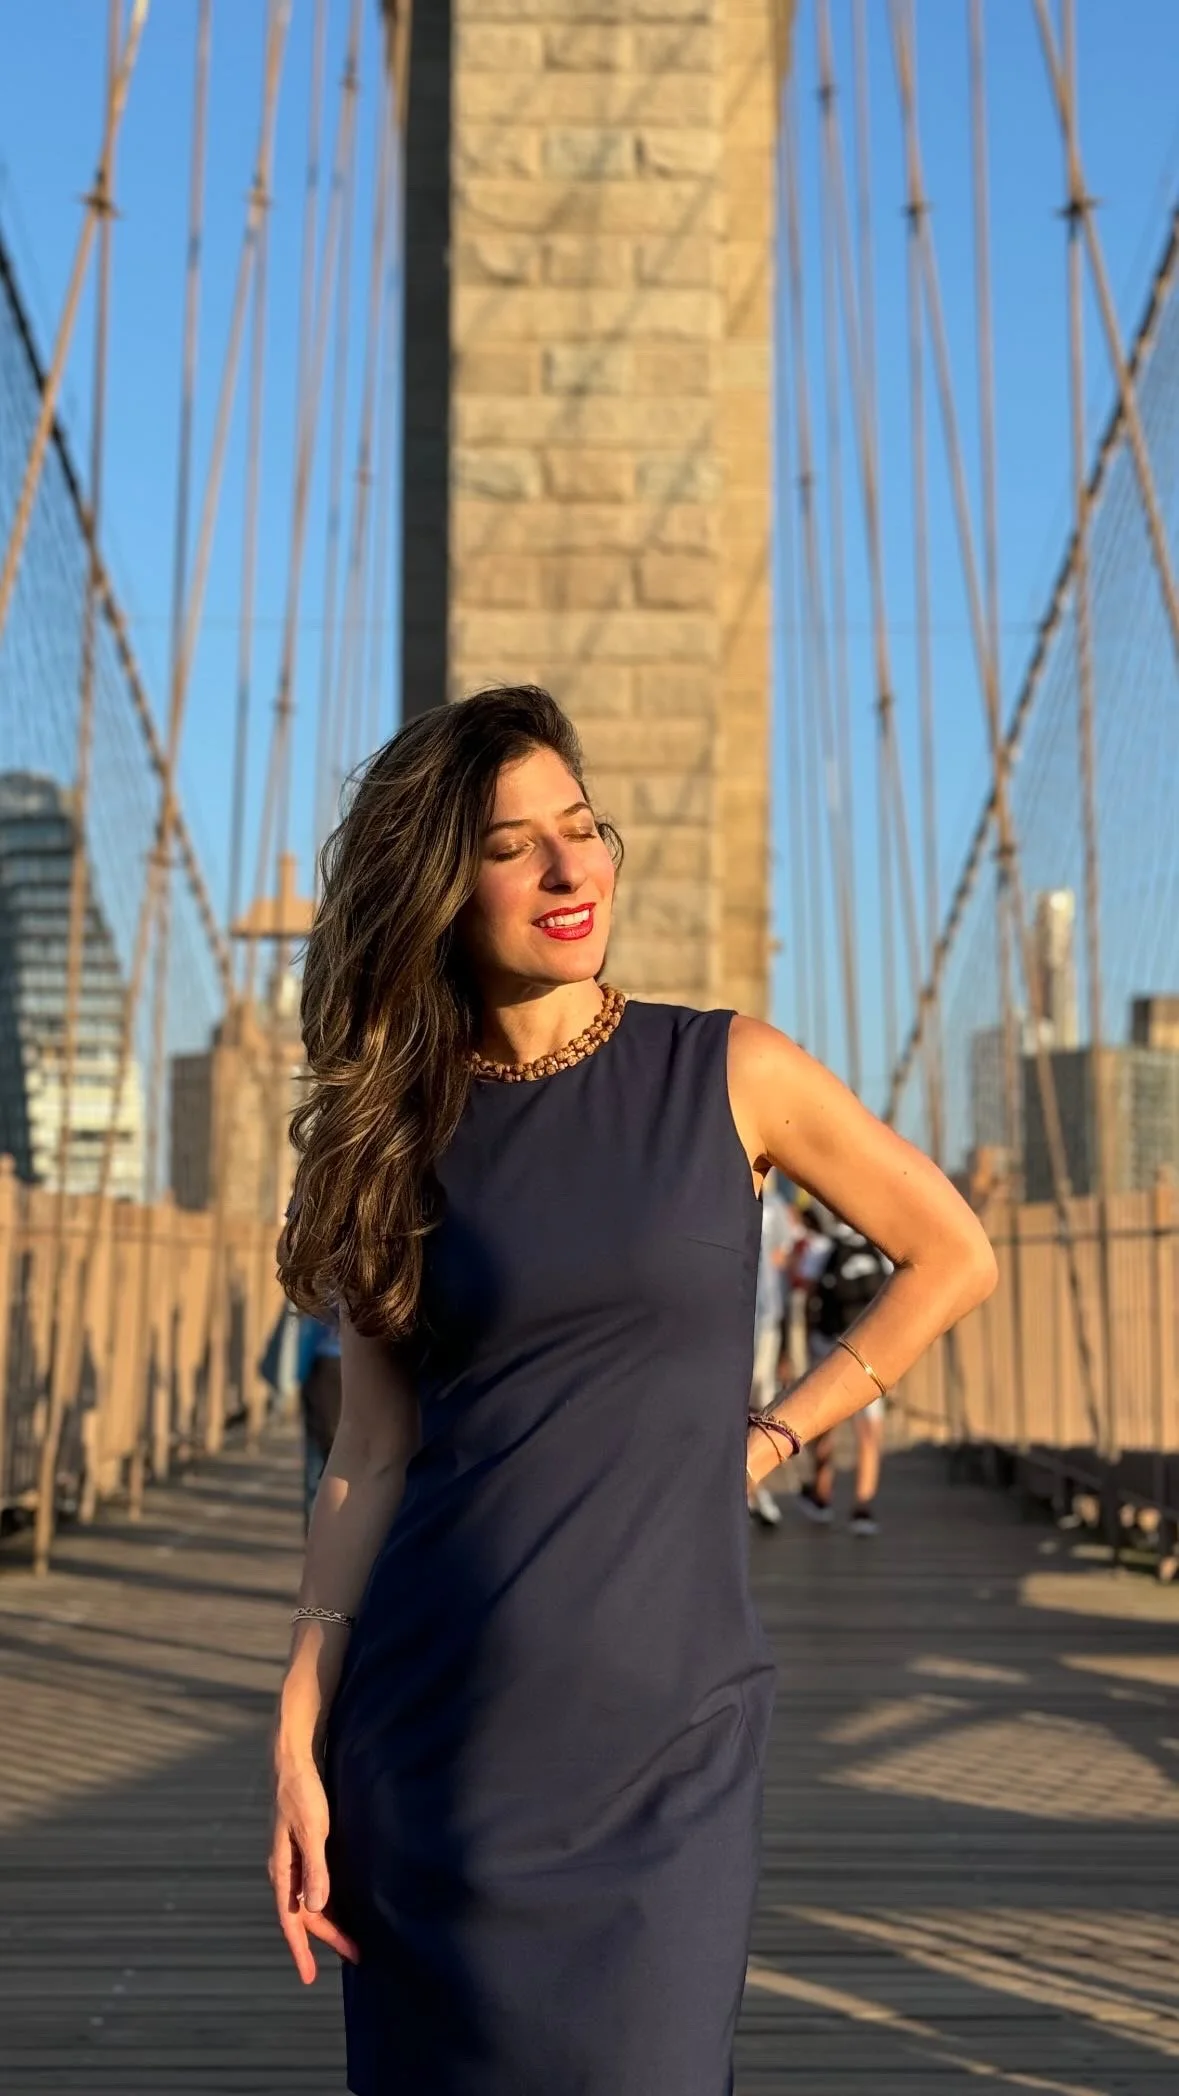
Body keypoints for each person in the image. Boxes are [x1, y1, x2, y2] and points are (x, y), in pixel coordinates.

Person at [269, 685, 997, 2096]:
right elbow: (367, 1453)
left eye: (581, 828)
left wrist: (771, 1435)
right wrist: (297, 1729)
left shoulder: (727, 1071)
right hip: (435, 1750)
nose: (566, 870)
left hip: (669, 1743)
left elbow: (948, 1253)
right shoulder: (389, 1138)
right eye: (508, 845)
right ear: (433, 883)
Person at [796, 1202, 893, 1533]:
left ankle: (822, 1496)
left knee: (825, 1424)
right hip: (869, 1353)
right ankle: (863, 1507)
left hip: (829, 1347)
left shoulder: (822, 1249)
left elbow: (807, 1299)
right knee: (869, 1432)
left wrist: (805, 1345)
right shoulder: (878, 1247)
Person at [747, 1170, 797, 1528]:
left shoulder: (776, 1208)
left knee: (759, 1400)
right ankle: (750, 1492)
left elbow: (782, 1259)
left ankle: (753, 1485)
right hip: (727, 1319)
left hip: (764, 1318)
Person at [296, 1312, 343, 1531]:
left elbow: (306, 1343)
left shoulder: (323, 1285)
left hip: (324, 1370)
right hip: (343, 1370)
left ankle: (315, 1534)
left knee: (319, 1467)